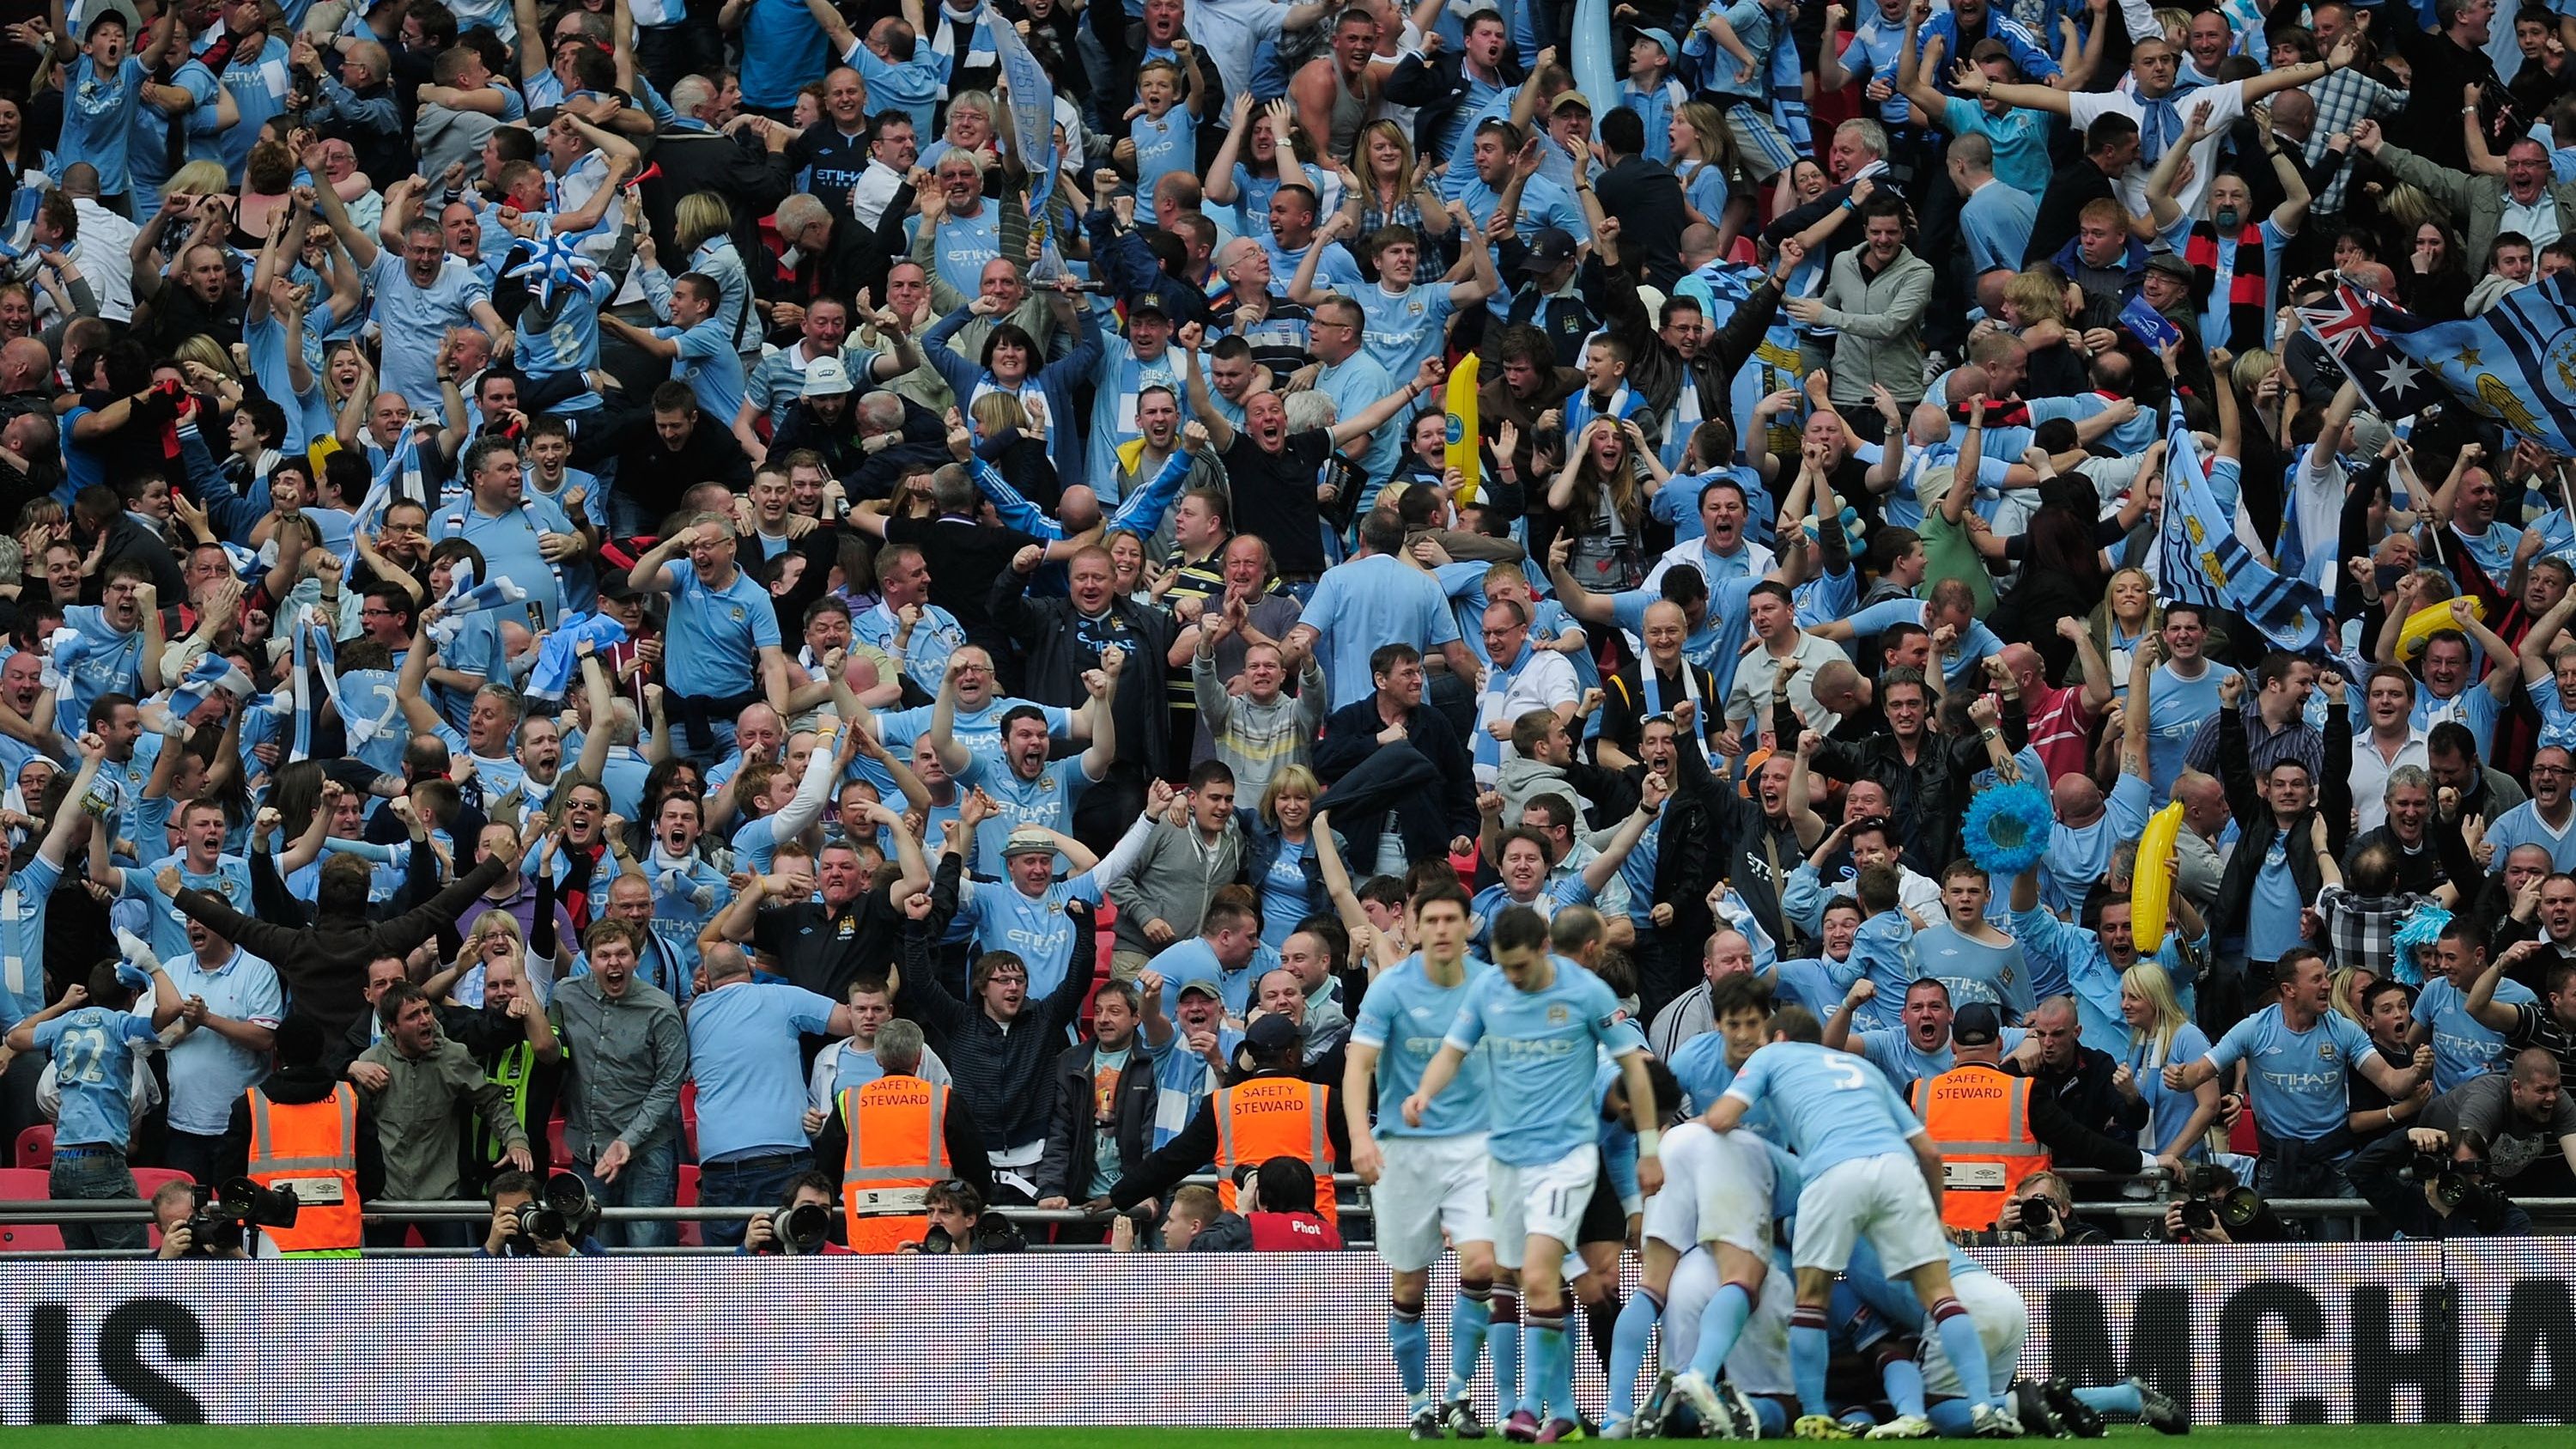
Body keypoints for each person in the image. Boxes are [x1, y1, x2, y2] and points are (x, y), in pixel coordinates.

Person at [1402, 905, 1662, 1441]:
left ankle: (1522, 1406)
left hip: (1567, 1157)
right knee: (1512, 1279)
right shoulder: (1489, 990)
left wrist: (1651, 1148)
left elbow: (1636, 1069)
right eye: (1504, 967)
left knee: (1544, 1276)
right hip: (1504, 1158)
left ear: (1544, 947)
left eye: (1520, 967)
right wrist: (1426, 1093)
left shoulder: (1588, 995)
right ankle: (1557, 1405)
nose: (1513, 978)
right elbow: (1453, 1052)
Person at [1702, 1003, 2015, 1438]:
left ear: (1777, 1038)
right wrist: (1935, 1215)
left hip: (1833, 1171)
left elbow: (1720, 1119)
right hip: (1896, 1168)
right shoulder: (1857, 1067)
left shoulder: (1771, 1056)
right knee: (1941, 1296)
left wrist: (1684, 1134)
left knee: (1812, 1301)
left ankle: (1813, 1415)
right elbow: (1928, 1151)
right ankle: (1983, 1405)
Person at [1344, 881, 1498, 1438]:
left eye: (1449, 919)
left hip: (1476, 1145)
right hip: (1404, 1150)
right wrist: (1361, 1137)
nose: (1438, 929)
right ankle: (1418, 1401)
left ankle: (1458, 1393)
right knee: (1410, 1287)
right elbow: (1358, 1066)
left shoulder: (1491, 986)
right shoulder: (1390, 989)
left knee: (1481, 1264)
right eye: (1427, 919)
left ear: (1465, 927)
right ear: (1410, 925)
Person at [352, 983, 532, 1251]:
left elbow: (491, 1101)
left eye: (426, 1011)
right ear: (392, 1026)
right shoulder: (372, 1064)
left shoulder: (453, 1055)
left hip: (442, 1195)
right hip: (386, 1198)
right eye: (413, 1016)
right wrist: (363, 1194)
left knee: (457, 1283)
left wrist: (516, 1139)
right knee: (382, 1287)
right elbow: (354, 1133)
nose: (424, 1019)